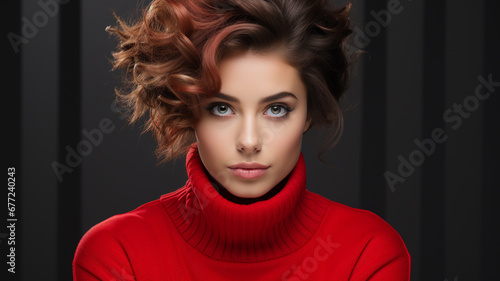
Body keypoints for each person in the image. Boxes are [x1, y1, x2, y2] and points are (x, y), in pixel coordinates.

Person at [73, 0, 411, 280]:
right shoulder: (117, 255)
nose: (249, 142)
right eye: (222, 108)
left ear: (308, 112)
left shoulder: (368, 253)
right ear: (189, 110)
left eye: (277, 109)